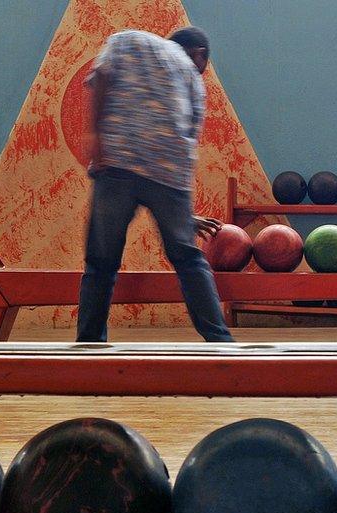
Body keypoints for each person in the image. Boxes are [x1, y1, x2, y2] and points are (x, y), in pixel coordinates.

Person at [77, 26, 234, 343]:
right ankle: (221, 342)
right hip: (168, 173)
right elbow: (188, 141)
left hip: (118, 163)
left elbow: (102, 75)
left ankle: (89, 345)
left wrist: (94, 133)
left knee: (101, 263)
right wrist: (181, 215)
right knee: (188, 259)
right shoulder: (192, 76)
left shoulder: (129, 39)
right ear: (200, 54)